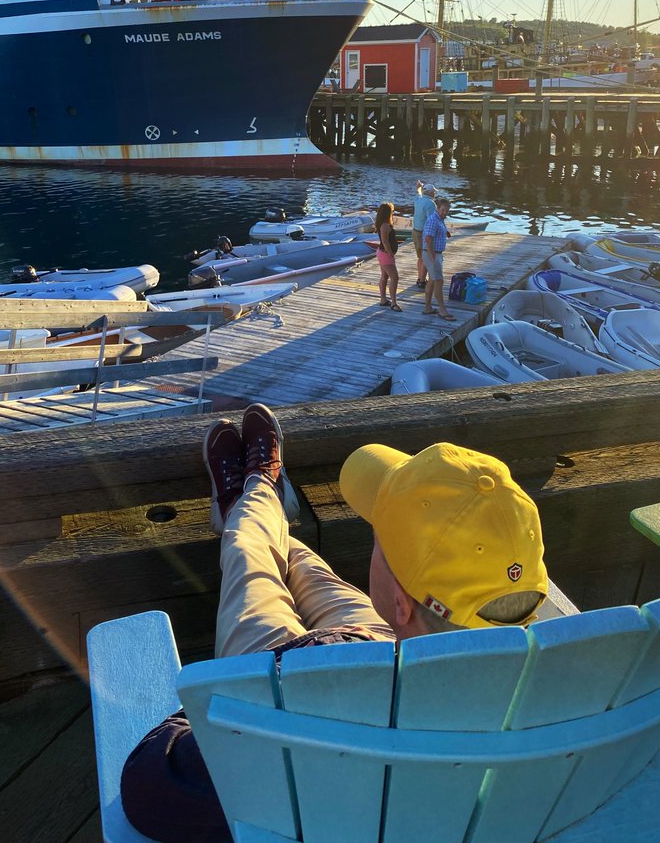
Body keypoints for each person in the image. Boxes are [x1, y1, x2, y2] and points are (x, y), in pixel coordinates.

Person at [120, 406, 548, 843]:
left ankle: (253, 498)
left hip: (299, 679)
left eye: (378, 538)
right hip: (387, 643)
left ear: (401, 603)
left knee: (252, 566)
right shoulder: (563, 707)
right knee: (301, 565)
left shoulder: (284, 713)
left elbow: (147, 784)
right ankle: (258, 503)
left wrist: (220, 698)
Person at [423, 196, 454, 320]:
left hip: (436, 253)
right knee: (438, 281)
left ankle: (428, 307)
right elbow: (428, 238)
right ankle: (442, 310)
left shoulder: (440, 219)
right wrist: (432, 256)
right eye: (442, 210)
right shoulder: (433, 220)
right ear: (438, 209)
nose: (445, 212)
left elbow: (436, 231)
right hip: (432, 253)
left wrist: (446, 232)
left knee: (432, 280)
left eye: (447, 210)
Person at [374, 201, 401, 310]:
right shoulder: (385, 225)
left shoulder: (383, 224)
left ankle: (383, 299)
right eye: (392, 211)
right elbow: (385, 242)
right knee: (394, 278)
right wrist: (390, 254)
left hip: (382, 253)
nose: (392, 213)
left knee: (384, 276)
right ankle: (394, 303)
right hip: (385, 254)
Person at [411, 182, 437, 290]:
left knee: (420, 257)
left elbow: (418, 193)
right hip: (423, 233)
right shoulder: (431, 204)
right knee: (426, 257)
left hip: (415, 231)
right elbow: (431, 221)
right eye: (434, 192)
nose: (435, 194)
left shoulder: (418, 199)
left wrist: (419, 187)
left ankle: (420, 278)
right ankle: (422, 281)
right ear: (430, 192)